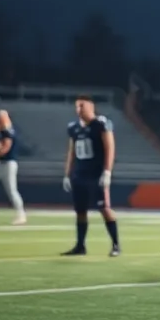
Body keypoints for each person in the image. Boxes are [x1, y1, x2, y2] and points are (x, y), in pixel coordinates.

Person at [61, 95, 120, 257]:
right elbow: (71, 152)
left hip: (96, 174)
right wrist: (67, 174)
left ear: (91, 106)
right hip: (79, 174)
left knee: (104, 209)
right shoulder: (73, 127)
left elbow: (110, 148)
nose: (79, 110)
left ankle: (116, 245)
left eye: (82, 106)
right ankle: (80, 246)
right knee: (80, 211)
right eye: (77, 106)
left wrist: (107, 172)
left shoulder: (101, 124)